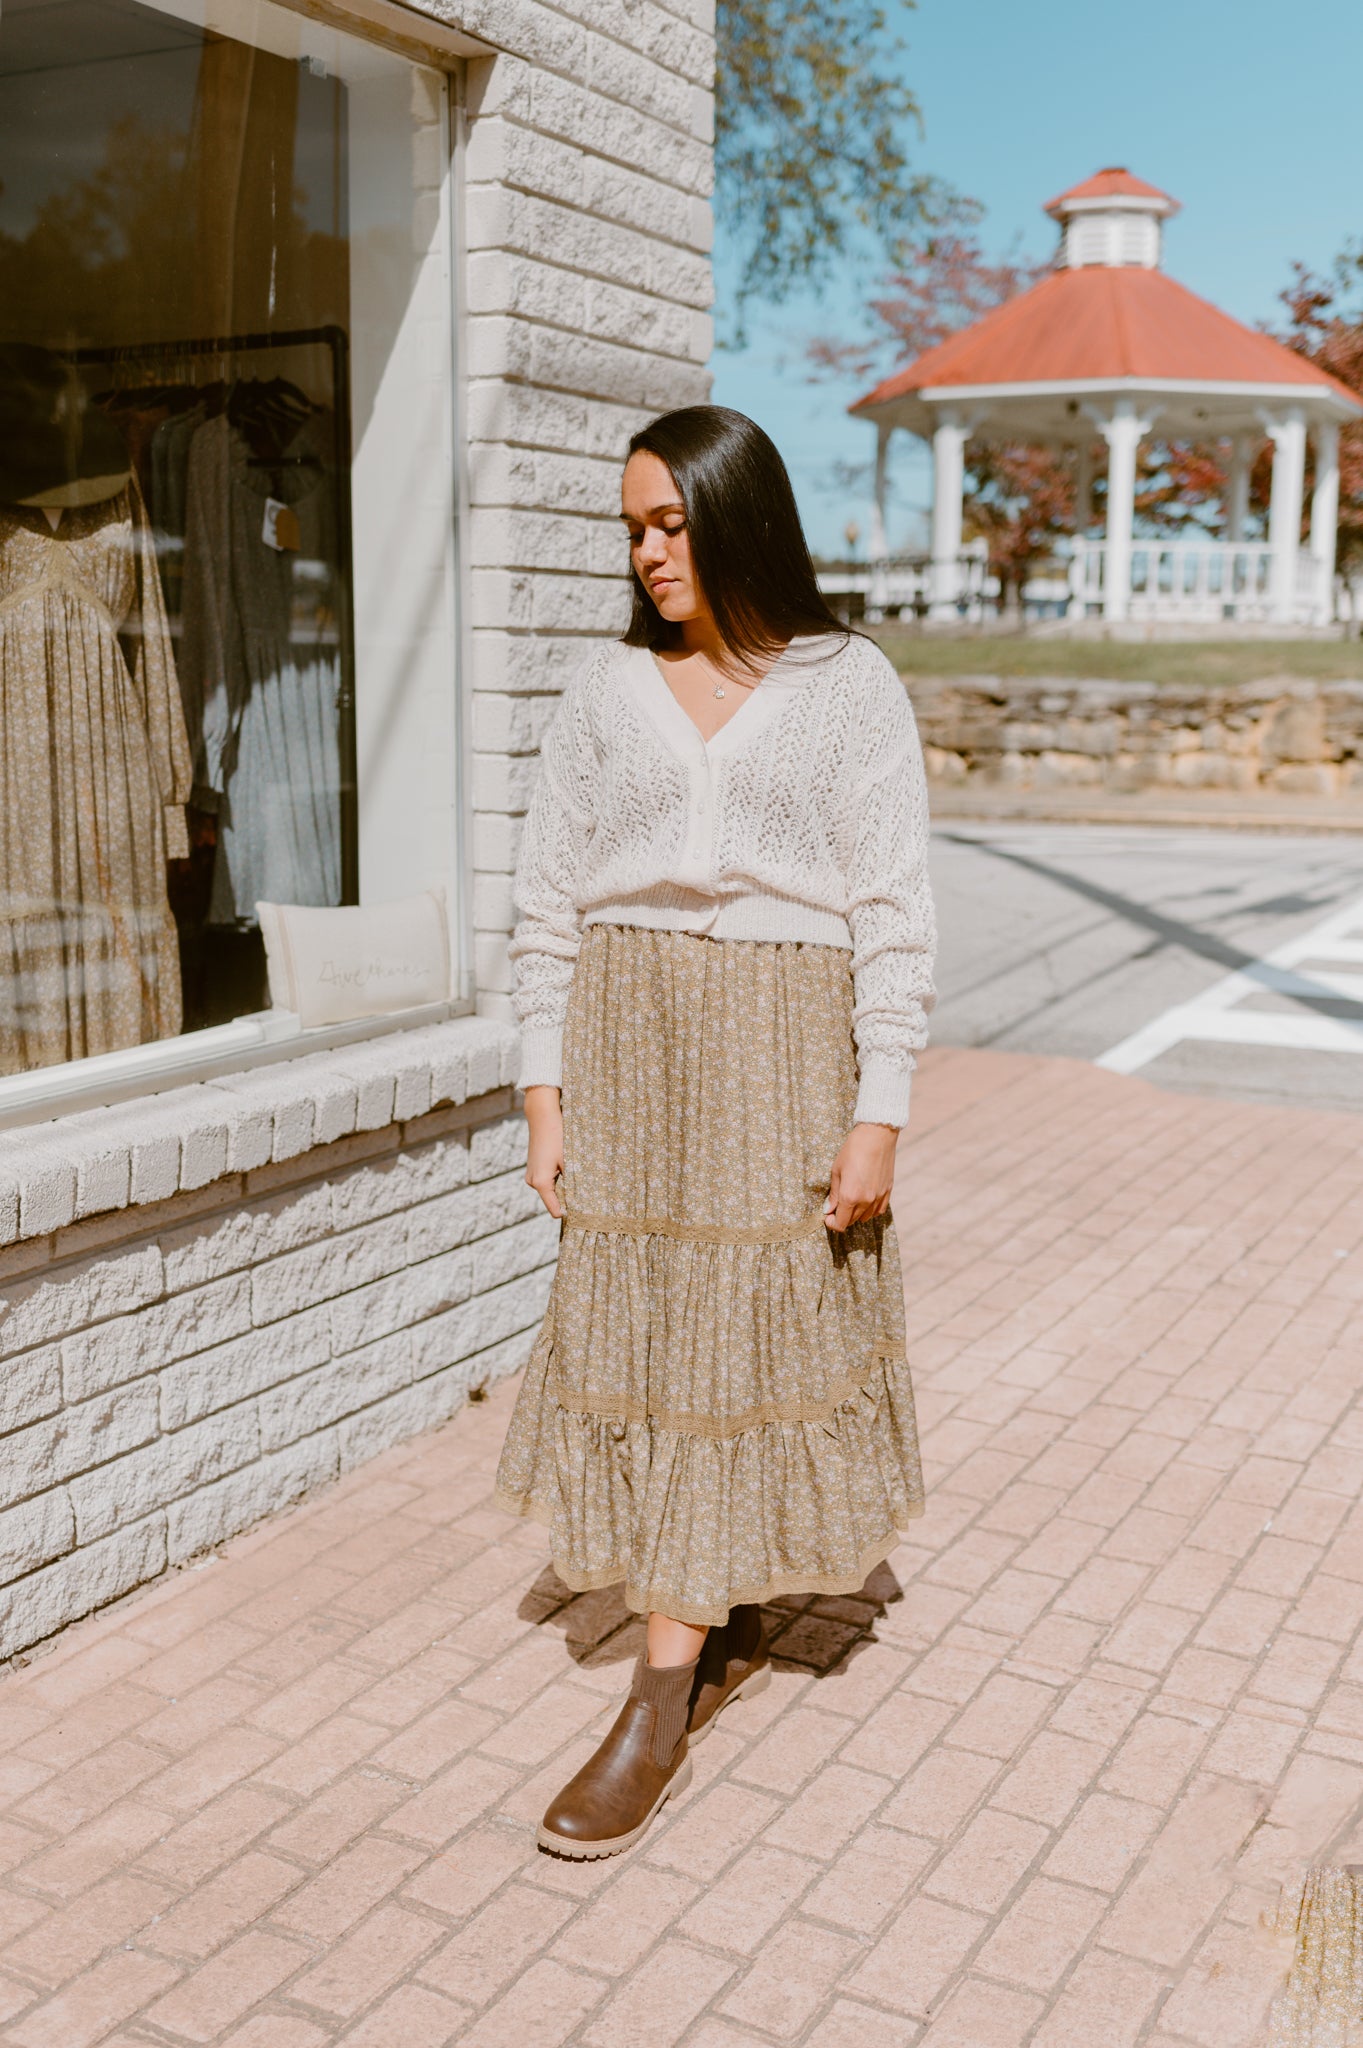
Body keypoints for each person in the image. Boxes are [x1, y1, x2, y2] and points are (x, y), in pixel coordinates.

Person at [495, 404, 935, 1859]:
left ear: (740, 517)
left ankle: (657, 1698)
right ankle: (704, 1601)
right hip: (630, 1042)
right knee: (662, 1335)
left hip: (779, 1046)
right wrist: (544, 1094)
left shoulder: (846, 682)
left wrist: (880, 1110)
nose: (648, 552)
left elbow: (893, 916)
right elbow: (548, 910)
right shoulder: (605, 692)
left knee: (739, 1332)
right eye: (632, 528)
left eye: (672, 523)